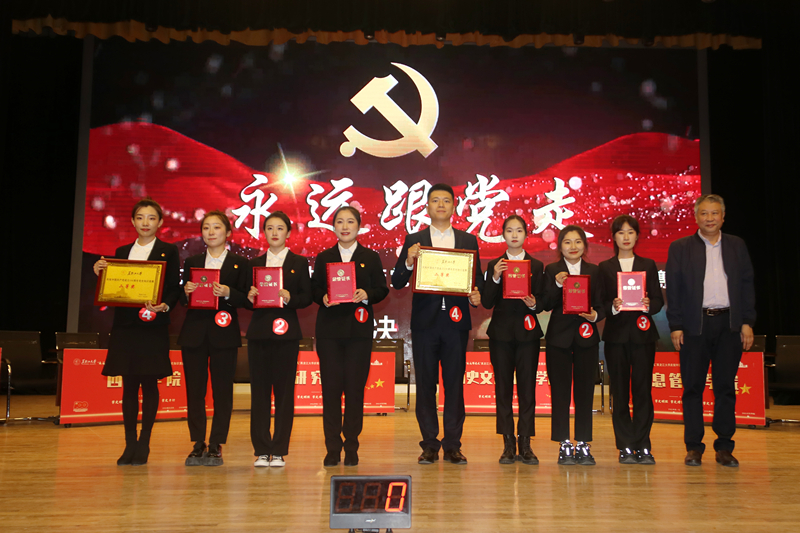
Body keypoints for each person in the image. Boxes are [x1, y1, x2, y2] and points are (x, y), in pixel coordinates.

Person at [391, 183, 484, 465]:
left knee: (454, 385)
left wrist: (476, 295)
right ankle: (430, 444)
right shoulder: (415, 240)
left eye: (446, 200)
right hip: (425, 325)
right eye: (435, 200)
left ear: (454, 206)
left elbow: (477, 279)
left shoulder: (468, 240)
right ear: (427, 206)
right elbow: (397, 281)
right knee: (426, 385)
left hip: (456, 323)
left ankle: (453, 445)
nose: (441, 205)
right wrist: (409, 260)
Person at [666, 194, 755, 468]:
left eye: (714, 213)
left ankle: (724, 446)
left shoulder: (736, 245)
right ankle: (694, 447)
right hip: (695, 326)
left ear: (723, 217)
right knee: (692, 388)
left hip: (729, 325)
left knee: (725, 387)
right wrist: (676, 326)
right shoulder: (680, 247)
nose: (709, 218)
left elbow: (747, 284)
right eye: (704, 213)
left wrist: (747, 321)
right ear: (696, 217)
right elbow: (674, 289)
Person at [93, 198, 180, 466]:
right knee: (129, 385)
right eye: (140, 217)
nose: (145, 223)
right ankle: (129, 442)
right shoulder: (121, 251)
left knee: (149, 384)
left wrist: (165, 305)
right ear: (132, 221)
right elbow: (114, 286)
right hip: (125, 327)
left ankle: (144, 443)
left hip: (152, 327)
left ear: (160, 222)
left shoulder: (168, 251)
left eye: (151, 218)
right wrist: (100, 273)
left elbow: (174, 288)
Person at [312, 205, 389, 467]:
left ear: (359, 226)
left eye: (350, 222)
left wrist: (367, 294)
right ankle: (332, 447)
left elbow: (382, 289)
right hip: (329, 333)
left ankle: (352, 445)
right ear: (333, 227)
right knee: (331, 391)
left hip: (359, 332)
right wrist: (323, 297)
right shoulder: (324, 257)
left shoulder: (370, 257)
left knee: (355, 391)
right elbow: (314, 289)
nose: (345, 227)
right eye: (340, 222)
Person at [178, 211, 249, 466]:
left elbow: (248, 299)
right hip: (194, 333)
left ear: (228, 232)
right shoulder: (193, 261)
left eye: (217, 227)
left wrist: (229, 292)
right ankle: (197, 442)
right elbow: (181, 298)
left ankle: (216, 443)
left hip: (224, 333)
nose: (211, 232)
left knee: (222, 391)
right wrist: (186, 292)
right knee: (195, 391)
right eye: (206, 227)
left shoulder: (239, 263)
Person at [246, 211, 312, 468]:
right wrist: (250, 295)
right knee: (259, 394)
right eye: (270, 228)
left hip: (287, 335)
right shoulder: (254, 263)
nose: (274, 232)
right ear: (264, 232)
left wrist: (290, 297)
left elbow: (306, 297)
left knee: (284, 395)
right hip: (259, 334)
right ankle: (262, 450)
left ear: (288, 233)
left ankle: (280, 450)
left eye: (280, 228)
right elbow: (244, 299)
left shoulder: (299, 262)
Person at [598, 215, 663, 464]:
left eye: (630, 232)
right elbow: (600, 303)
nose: (626, 237)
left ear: (637, 236)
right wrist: (613, 306)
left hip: (643, 335)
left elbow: (658, 300)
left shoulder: (648, 264)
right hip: (616, 337)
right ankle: (625, 445)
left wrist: (647, 304)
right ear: (614, 237)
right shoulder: (605, 267)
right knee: (620, 391)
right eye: (620, 232)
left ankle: (643, 444)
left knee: (643, 390)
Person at [481, 215, 545, 465]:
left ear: (526, 235)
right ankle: (508, 443)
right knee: (503, 389)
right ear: (503, 235)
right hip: (501, 335)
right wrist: (495, 277)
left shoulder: (536, 265)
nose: (514, 235)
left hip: (528, 334)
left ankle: (525, 443)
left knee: (528, 389)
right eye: (510, 230)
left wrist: (535, 303)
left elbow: (542, 301)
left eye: (519, 230)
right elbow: (487, 302)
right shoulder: (494, 265)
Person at [541, 224, 604, 465]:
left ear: (584, 246)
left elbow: (601, 304)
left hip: (587, 337)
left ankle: (583, 442)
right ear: (560, 246)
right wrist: (557, 285)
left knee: (585, 391)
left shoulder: (594, 271)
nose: (573, 246)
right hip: (559, 339)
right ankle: (564, 443)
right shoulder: (552, 270)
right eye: (567, 242)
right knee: (560, 391)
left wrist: (595, 316)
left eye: (578, 242)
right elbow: (545, 303)